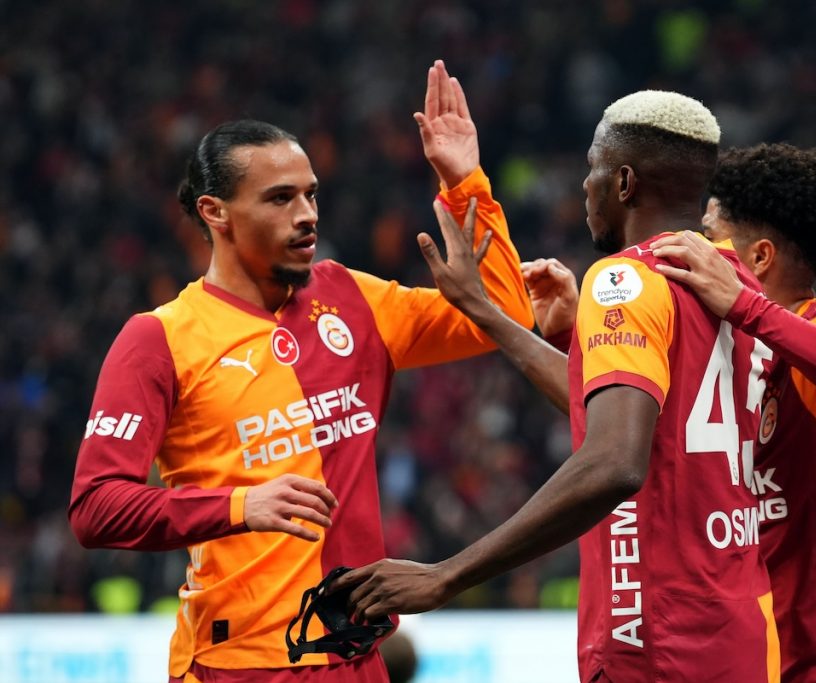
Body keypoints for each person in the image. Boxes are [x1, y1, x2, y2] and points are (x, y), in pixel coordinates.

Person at [67, 60, 534, 683]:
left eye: (311, 194)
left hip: (358, 656)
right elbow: (96, 508)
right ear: (215, 212)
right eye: (280, 198)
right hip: (239, 664)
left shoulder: (351, 298)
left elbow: (500, 315)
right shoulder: (159, 339)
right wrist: (241, 504)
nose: (307, 214)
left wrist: (463, 180)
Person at [337, 90, 782, 683]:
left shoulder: (625, 279)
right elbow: (630, 426)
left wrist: (447, 574)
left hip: (658, 638)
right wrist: (487, 314)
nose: (584, 186)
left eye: (592, 169)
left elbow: (614, 462)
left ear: (624, 182)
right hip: (740, 627)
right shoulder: (737, 283)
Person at [650, 144, 816, 681]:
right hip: (770, 665)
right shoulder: (744, 361)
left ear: (759, 259)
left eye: (709, 236)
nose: (696, 249)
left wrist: (747, 306)